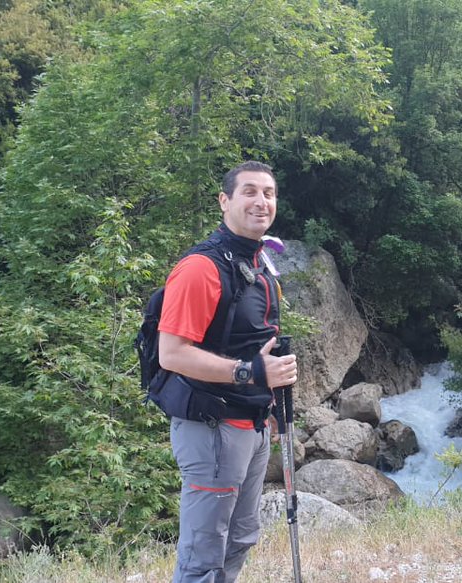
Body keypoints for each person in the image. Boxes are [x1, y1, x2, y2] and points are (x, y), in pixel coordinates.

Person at [157, 160, 299, 583]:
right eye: (249, 192)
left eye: (269, 193)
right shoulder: (202, 268)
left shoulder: (259, 264)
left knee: (239, 539)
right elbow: (171, 354)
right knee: (203, 555)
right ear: (225, 200)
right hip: (212, 427)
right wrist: (251, 373)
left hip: (252, 425)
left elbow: (248, 343)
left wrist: (268, 398)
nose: (261, 202)